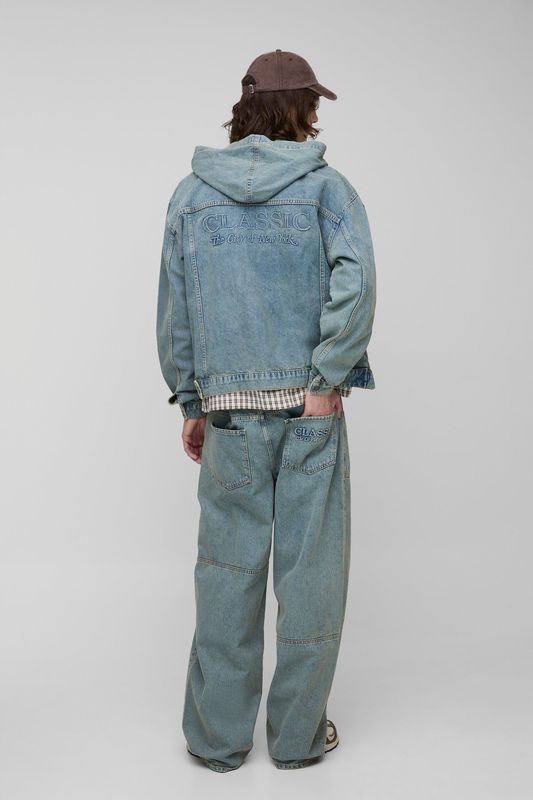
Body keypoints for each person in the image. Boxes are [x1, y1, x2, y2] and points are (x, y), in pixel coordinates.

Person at [156, 48, 377, 772]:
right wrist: (325, 378)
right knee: (310, 578)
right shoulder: (328, 190)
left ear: (245, 109)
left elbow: (177, 307)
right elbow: (357, 285)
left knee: (227, 571)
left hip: (227, 415)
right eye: (312, 105)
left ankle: (217, 741)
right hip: (310, 411)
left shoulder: (191, 196)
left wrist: (193, 400)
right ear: (301, 110)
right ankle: (296, 738)